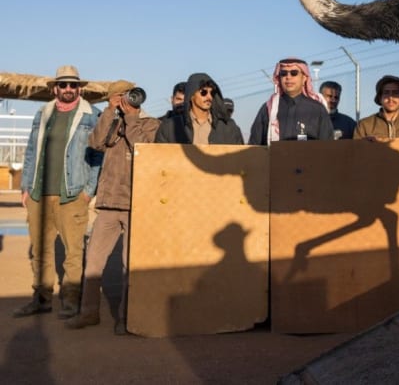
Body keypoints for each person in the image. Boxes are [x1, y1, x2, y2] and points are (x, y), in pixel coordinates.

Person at [65, 82, 160, 334]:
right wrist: (109, 111)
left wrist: (130, 117)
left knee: (131, 265)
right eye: (123, 96)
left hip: (135, 203)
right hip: (108, 203)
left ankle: (127, 318)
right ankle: (88, 313)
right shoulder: (111, 119)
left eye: (132, 95)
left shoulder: (150, 122)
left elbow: (143, 148)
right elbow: (95, 143)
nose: (130, 99)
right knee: (93, 262)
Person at [14, 65, 102, 319]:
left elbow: (98, 156)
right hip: (39, 194)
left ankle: (71, 301)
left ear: (80, 88)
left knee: (73, 251)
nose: (67, 89)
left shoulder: (91, 115)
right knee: (40, 250)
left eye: (72, 85)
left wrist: (88, 190)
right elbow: (31, 151)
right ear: (55, 88)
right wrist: (26, 187)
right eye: (63, 84)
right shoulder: (43, 114)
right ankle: (41, 299)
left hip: (72, 195)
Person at [248, 58, 333, 145]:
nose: (288, 77)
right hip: (275, 158)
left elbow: (327, 146)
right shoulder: (268, 109)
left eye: (294, 73)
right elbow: (255, 145)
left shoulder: (317, 109)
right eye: (284, 74)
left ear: (304, 78)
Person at [155, 73, 243, 145]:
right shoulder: (169, 128)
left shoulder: (229, 127)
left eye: (212, 93)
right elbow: (159, 161)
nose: (209, 97)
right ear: (191, 95)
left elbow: (240, 161)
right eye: (203, 92)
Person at [354, 75, 399, 140]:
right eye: (386, 93)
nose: (390, 98)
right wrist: (363, 145)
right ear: (380, 98)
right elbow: (355, 152)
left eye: (395, 93)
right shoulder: (364, 125)